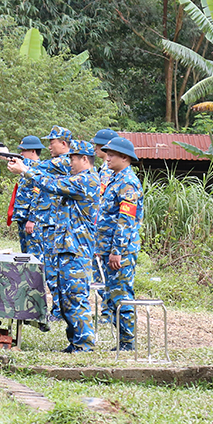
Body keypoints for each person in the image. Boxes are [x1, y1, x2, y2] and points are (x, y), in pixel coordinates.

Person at [8, 140, 99, 352]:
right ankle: (75, 341)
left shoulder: (87, 180)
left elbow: (53, 185)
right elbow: (51, 178)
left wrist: (25, 170)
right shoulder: (76, 178)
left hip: (77, 250)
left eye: (73, 159)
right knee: (66, 298)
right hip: (66, 248)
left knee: (75, 296)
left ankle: (85, 343)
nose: (70, 163)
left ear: (84, 159)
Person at [96, 136, 144, 351]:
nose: (107, 158)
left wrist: (117, 251)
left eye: (112, 154)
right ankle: (123, 340)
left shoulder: (128, 183)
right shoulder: (115, 179)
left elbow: (125, 221)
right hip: (108, 249)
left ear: (124, 157)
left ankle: (127, 342)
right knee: (110, 295)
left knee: (121, 295)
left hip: (120, 252)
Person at [26, 125, 72, 320]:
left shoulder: (65, 162)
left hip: (57, 225)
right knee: (50, 269)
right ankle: (56, 309)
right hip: (49, 223)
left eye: (52, 142)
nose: (49, 146)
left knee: (54, 270)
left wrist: (23, 166)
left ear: (63, 143)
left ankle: (59, 310)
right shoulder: (56, 162)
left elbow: (39, 167)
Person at [91, 128, 120, 320]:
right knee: (98, 274)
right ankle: (106, 310)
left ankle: (109, 311)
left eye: (98, 145)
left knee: (109, 277)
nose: (94, 148)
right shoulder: (102, 169)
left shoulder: (113, 174)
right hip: (100, 230)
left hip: (110, 233)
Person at [9, 135, 44, 258]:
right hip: (23, 218)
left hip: (31, 220)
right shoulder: (26, 170)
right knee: (25, 256)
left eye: (24, 151)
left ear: (33, 151)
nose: (21, 154)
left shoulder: (38, 169)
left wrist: (32, 219)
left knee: (34, 256)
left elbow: (38, 195)